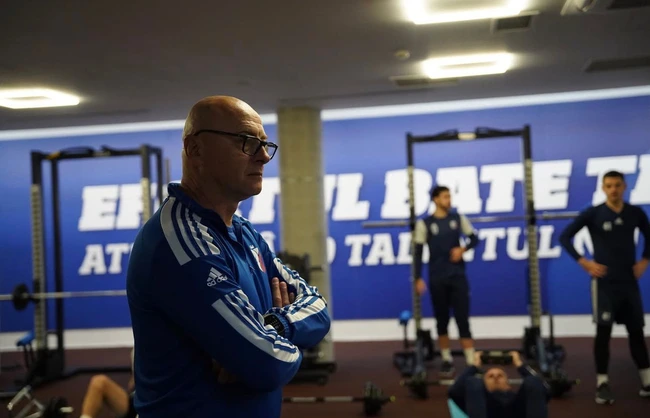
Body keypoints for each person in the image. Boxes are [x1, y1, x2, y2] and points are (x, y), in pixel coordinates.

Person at [126, 96, 332, 418]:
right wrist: (263, 349)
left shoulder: (244, 233)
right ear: (195, 148)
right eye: (246, 141)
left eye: (265, 144)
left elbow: (318, 308)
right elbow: (268, 364)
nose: (264, 156)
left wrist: (274, 326)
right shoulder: (181, 242)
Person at [559, 170, 650, 405]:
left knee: (636, 332)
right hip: (604, 284)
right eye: (609, 186)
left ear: (624, 187)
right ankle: (602, 383)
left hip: (628, 282)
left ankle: (647, 381)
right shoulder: (593, 213)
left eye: (617, 185)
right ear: (603, 188)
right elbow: (565, 237)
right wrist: (585, 263)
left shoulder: (635, 213)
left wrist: (644, 260)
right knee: (603, 333)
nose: (613, 190)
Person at [413, 185, 479, 377]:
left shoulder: (457, 218)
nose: (448, 200)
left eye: (449, 196)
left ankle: (471, 362)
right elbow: (418, 253)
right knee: (441, 320)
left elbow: (474, 239)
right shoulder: (425, 224)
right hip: (437, 278)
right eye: (444, 197)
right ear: (435, 199)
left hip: (458, 276)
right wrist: (417, 278)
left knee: (462, 319)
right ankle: (446, 359)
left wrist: (463, 249)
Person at [447, 351, 549, 418]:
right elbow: (454, 391)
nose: (495, 377)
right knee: (472, 381)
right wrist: (474, 366)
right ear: (483, 385)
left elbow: (544, 388)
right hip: (486, 411)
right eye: (490, 376)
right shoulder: (478, 400)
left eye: (500, 375)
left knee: (532, 381)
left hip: (517, 411)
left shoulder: (521, 401)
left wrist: (520, 365)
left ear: (508, 383)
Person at [79, 349, 136, 418]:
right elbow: (132, 383)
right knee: (99, 382)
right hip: (136, 400)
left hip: (147, 402)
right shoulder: (137, 350)